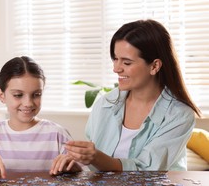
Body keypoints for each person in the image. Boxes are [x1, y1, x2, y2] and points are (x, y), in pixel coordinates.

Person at [64, 19, 201, 171]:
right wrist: (75, 164)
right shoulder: (106, 103)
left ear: (154, 66)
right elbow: (94, 166)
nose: (116, 69)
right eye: (115, 59)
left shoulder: (179, 115)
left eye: (126, 62)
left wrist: (96, 157)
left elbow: (147, 170)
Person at [0, 56, 83, 178]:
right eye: (18, 95)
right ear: (1, 95)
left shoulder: (57, 133)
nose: (28, 103)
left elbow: (84, 174)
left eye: (36, 94)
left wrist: (73, 167)